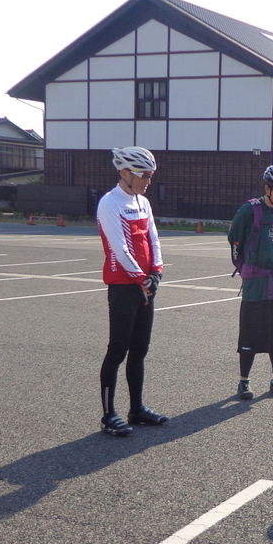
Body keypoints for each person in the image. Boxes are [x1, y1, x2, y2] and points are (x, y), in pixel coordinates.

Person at [96, 146, 167, 436]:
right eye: (144, 175)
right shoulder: (109, 203)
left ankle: (136, 409)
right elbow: (119, 248)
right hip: (123, 286)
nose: (148, 181)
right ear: (125, 172)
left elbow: (154, 238)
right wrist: (141, 279)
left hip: (145, 285)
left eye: (151, 176)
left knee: (140, 350)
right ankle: (108, 415)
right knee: (118, 350)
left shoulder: (143, 202)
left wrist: (157, 273)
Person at [229, 166, 273, 400]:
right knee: (250, 333)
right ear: (267, 189)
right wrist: (244, 268)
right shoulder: (249, 211)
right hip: (256, 285)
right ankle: (244, 381)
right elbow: (235, 241)